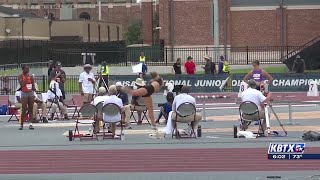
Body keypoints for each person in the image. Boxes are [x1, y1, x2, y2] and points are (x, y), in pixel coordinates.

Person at [18, 64, 36, 130]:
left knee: (31, 108)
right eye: (26, 68)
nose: (28, 70)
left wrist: (33, 83)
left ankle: (31, 124)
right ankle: (21, 124)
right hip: (24, 93)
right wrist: (26, 77)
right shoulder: (20, 76)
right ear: (23, 69)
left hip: (30, 92)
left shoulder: (30, 77)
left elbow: (33, 86)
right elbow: (22, 84)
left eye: (28, 69)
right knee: (24, 109)